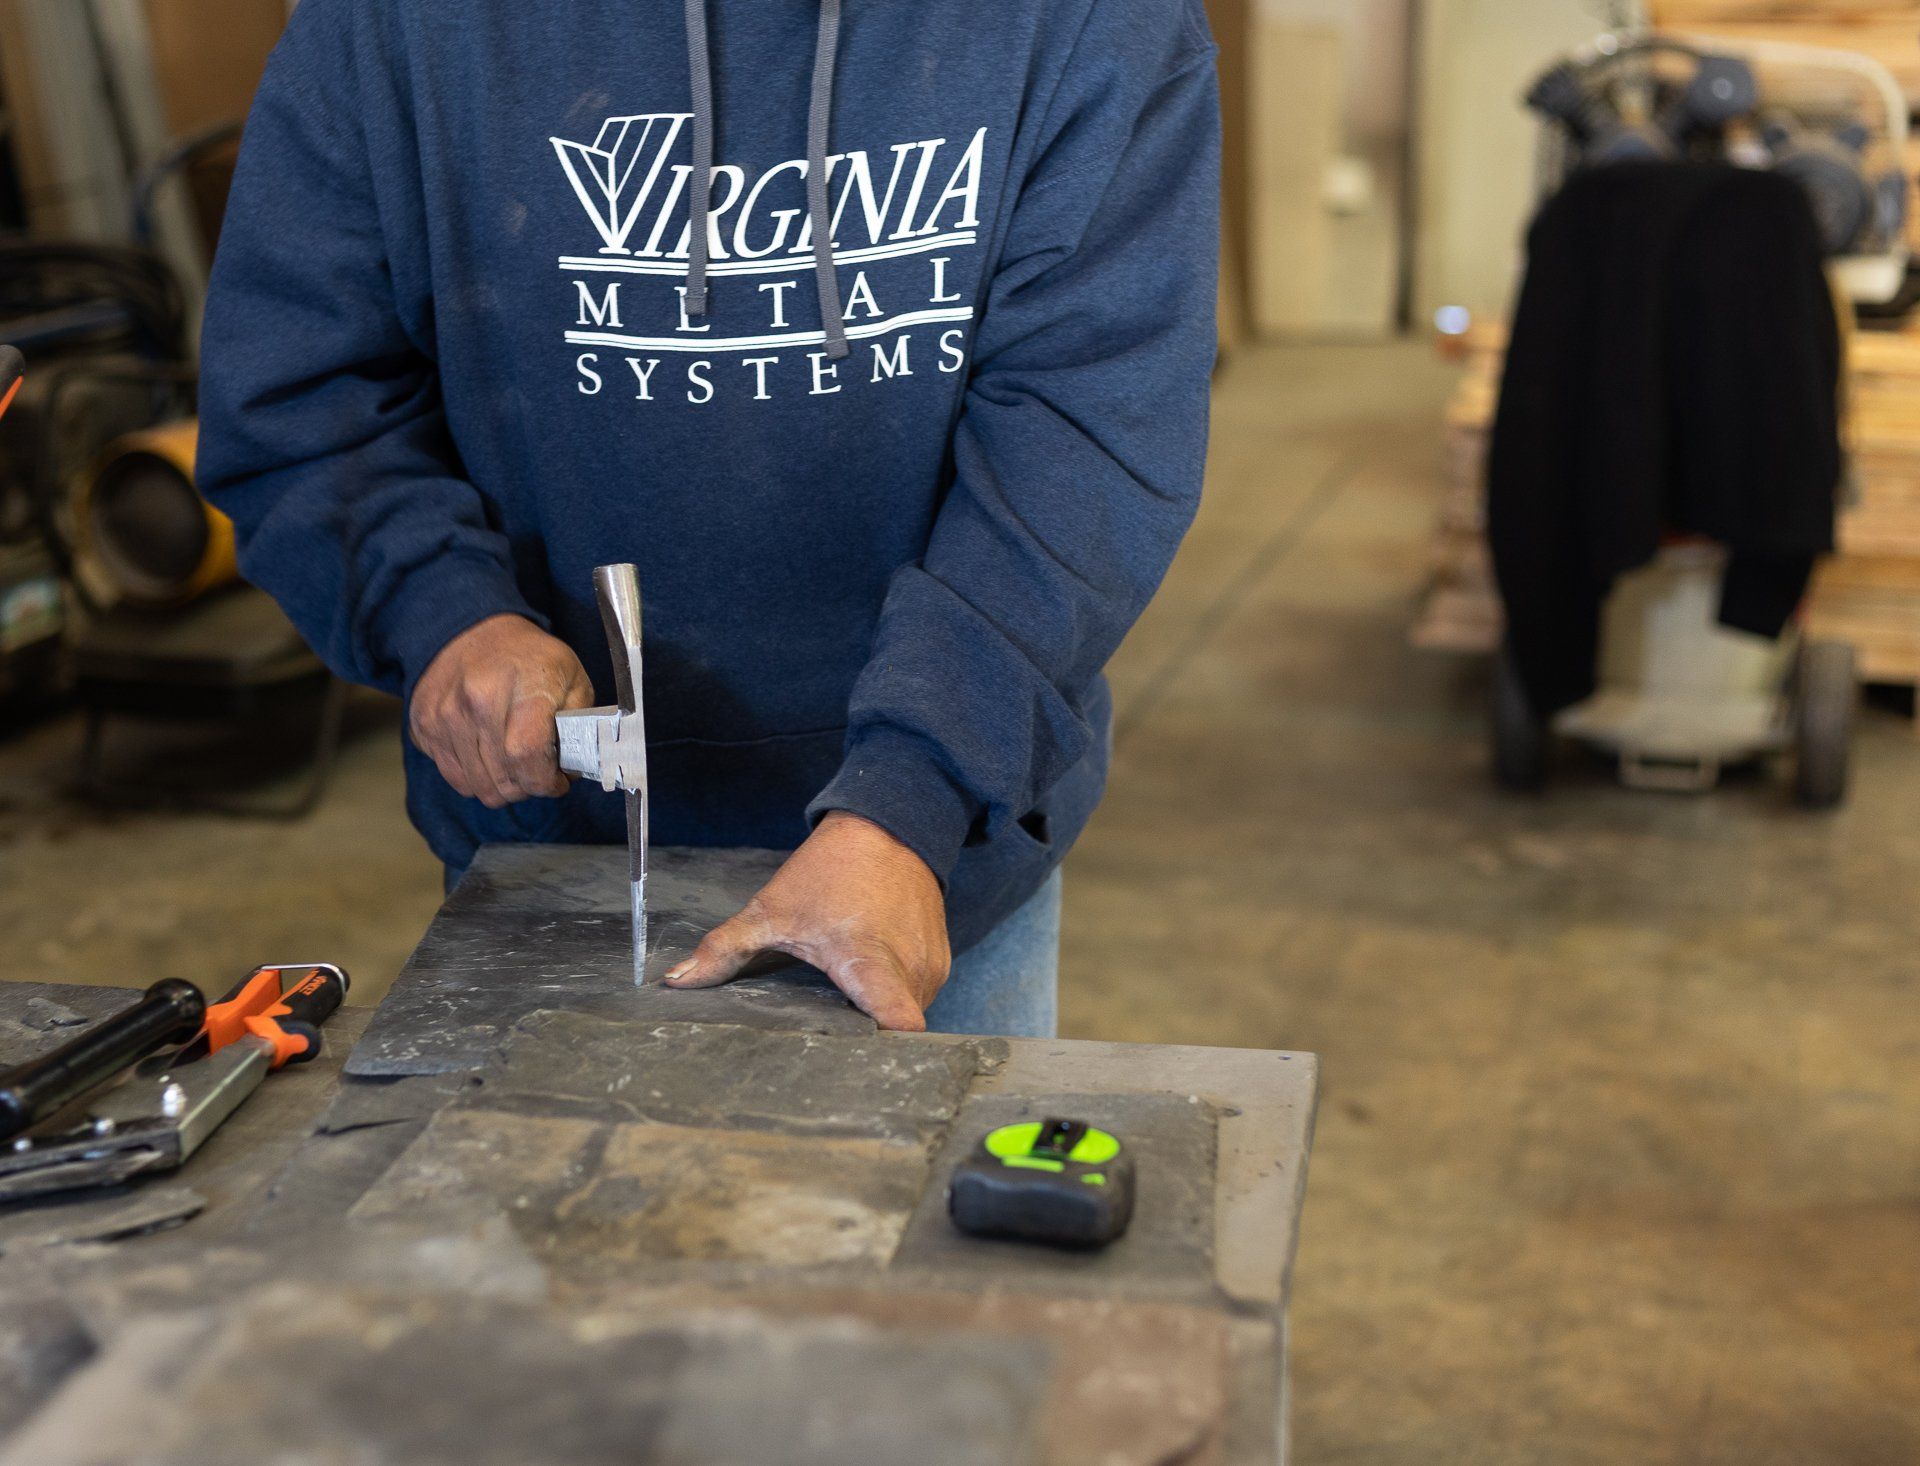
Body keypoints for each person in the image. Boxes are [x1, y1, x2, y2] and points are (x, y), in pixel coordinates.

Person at [197, 0, 1220, 1037]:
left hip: (938, 853)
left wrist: (913, 792)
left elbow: (1088, 439)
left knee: (929, 1199)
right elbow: (303, 393)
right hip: (545, 859)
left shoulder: (1086, 21)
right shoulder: (392, 25)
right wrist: (442, 611)